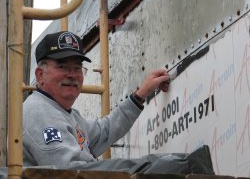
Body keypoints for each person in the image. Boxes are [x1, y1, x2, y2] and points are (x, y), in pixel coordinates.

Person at [23, 31, 170, 168]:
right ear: (40, 75)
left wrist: (141, 94)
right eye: (63, 67)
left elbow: (105, 130)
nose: (72, 75)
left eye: (77, 68)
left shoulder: (65, 113)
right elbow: (70, 172)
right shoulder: (38, 111)